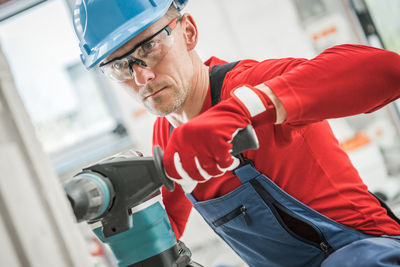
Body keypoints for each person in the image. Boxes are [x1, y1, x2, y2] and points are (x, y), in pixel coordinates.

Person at [73, 0, 400, 266]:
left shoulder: (249, 83)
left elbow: (387, 71)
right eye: (119, 66)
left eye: (149, 48)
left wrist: (245, 109)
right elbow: (166, 233)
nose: (141, 77)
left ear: (188, 32)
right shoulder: (166, 136)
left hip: (369, 252)